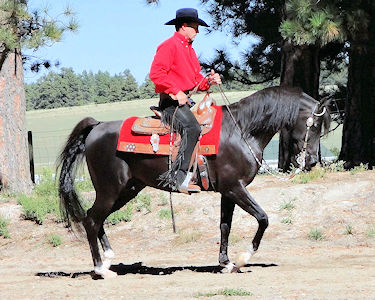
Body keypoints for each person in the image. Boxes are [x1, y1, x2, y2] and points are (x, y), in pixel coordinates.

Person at [150, 8, 221, 194]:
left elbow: (195, 79)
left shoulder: (189, 50)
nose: (198, 31)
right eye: (195, 27)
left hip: (183, 103)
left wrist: (209, 81)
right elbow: (156, 74)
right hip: (170, 104)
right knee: (192, 128)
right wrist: (175, 91)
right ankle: (178, 178)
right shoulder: (169, 46)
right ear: (184, 26)